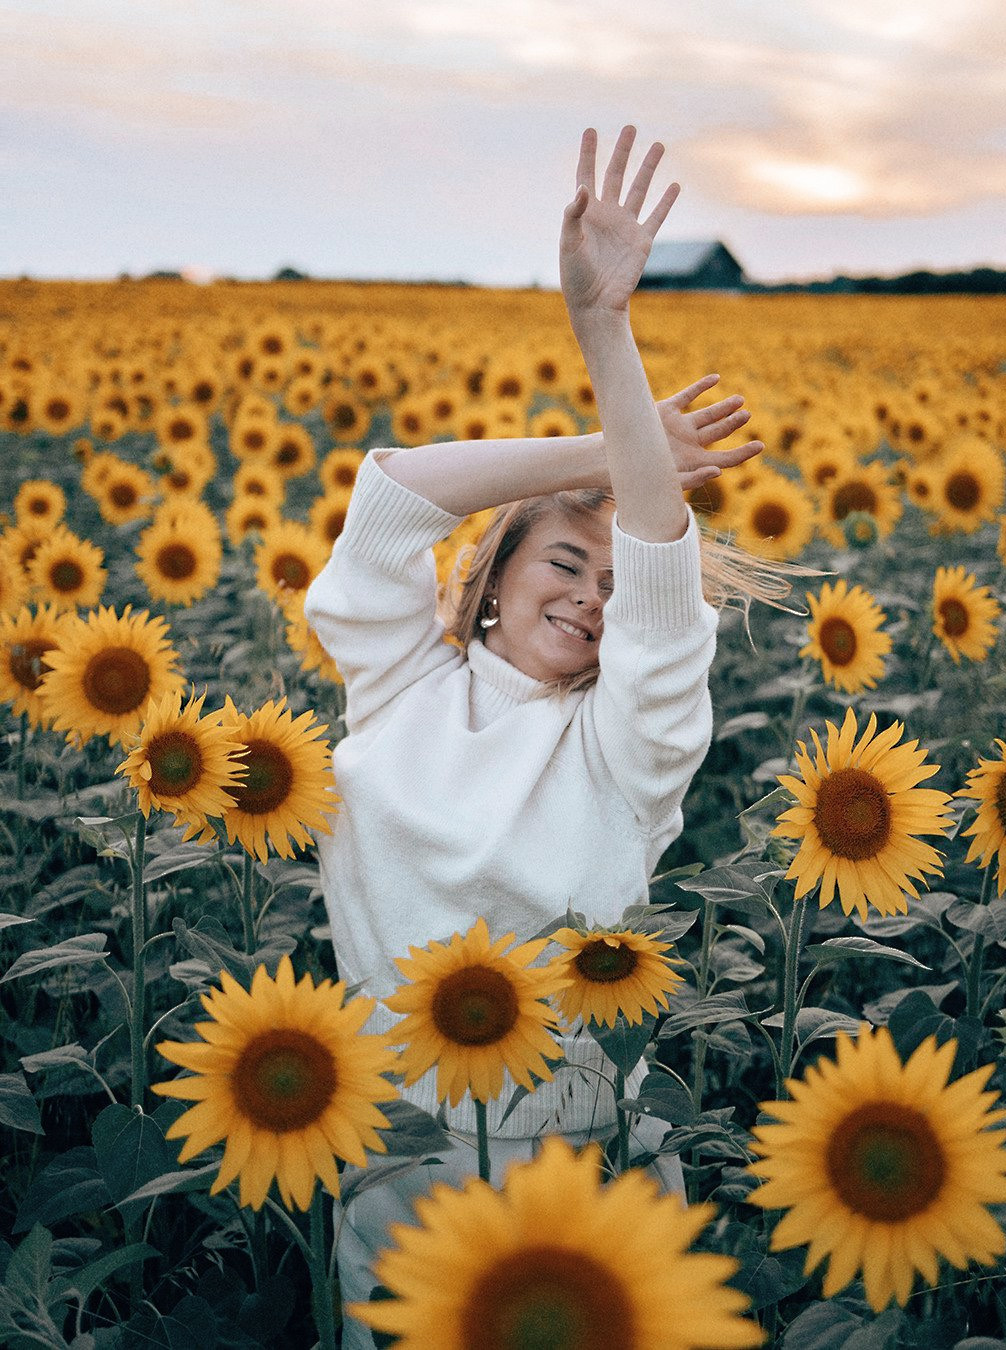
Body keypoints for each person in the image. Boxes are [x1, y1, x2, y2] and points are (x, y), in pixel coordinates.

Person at [304, 125, 783, 1345]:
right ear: (496, 577)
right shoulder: (405, 687)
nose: (592, 595)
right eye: (566, 560)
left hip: (572, 1156)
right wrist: (605, 451)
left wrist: (605, 333)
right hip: (393, 1148)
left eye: (616, 584)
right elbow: (391, 500)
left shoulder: (628, 750)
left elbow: (664, 586)